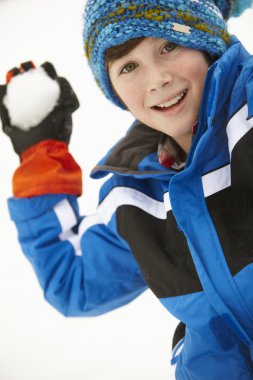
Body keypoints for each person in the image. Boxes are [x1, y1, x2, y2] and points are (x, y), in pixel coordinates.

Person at [1, 0, 253, 378]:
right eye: (128, 66)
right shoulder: (137, 196)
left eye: (169, 45)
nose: (157, 79)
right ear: (114, 89)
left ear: (206, 40)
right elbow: (73, 281)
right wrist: (40, 159)